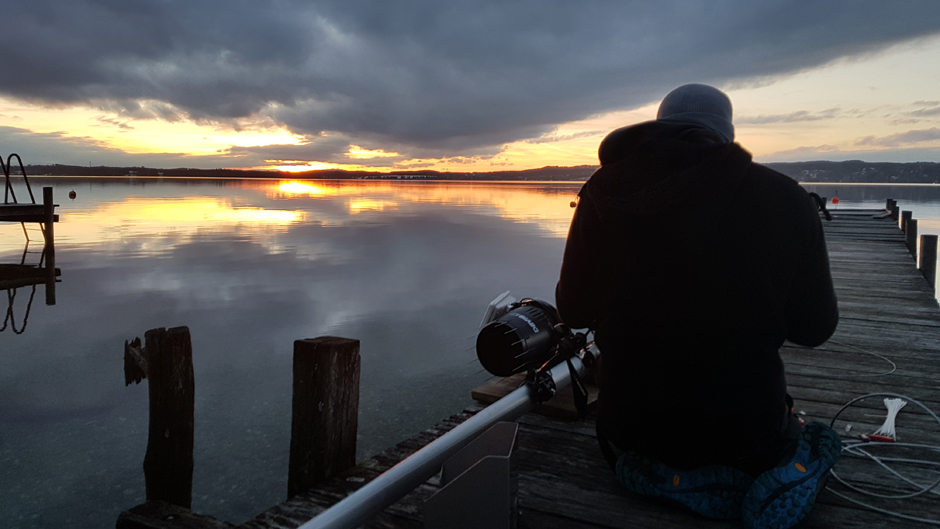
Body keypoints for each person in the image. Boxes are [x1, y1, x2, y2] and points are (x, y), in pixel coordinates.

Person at [555, 84, 841, 528]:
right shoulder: (785, 196)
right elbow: (815, 327)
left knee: (641, 437)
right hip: (746, 436)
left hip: (628, 430)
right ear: (726, 134)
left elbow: (573, 310)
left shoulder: (603, 193)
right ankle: (783, 472)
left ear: (658, 127)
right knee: (806, 439)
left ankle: (661, 477)